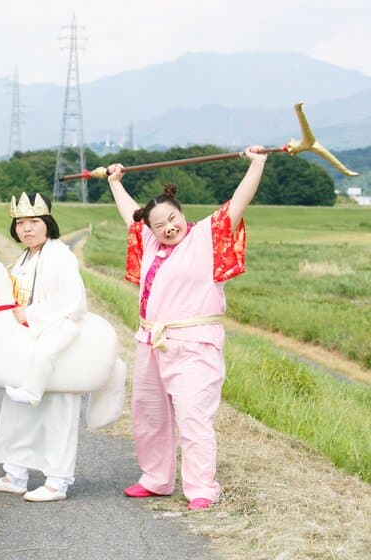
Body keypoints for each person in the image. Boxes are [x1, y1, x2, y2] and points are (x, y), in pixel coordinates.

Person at [106, 146, 267, 510]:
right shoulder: (149, 239)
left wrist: (257, 164)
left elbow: (239, 201)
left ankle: (201, 488)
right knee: (149, 413)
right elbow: (130, 215)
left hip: (195, 344)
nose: (167, 228)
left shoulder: (206, 236)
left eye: (171, 219)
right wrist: (115, 182)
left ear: (182, 213)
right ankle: (156, 479)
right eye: (158, 224)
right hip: (151, 341)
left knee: (194, 415)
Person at [0, 192, 87, 502]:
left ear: (47, 224)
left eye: (34, 222)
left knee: (58, 413)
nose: (27, 229)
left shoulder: (60, 255)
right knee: (17, 411)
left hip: (58, 339)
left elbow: (71, 302)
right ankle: (15, 474)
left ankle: (58, 482)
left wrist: (29, 314)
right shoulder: (23, 259)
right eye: (21, 223)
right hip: (27, 341)